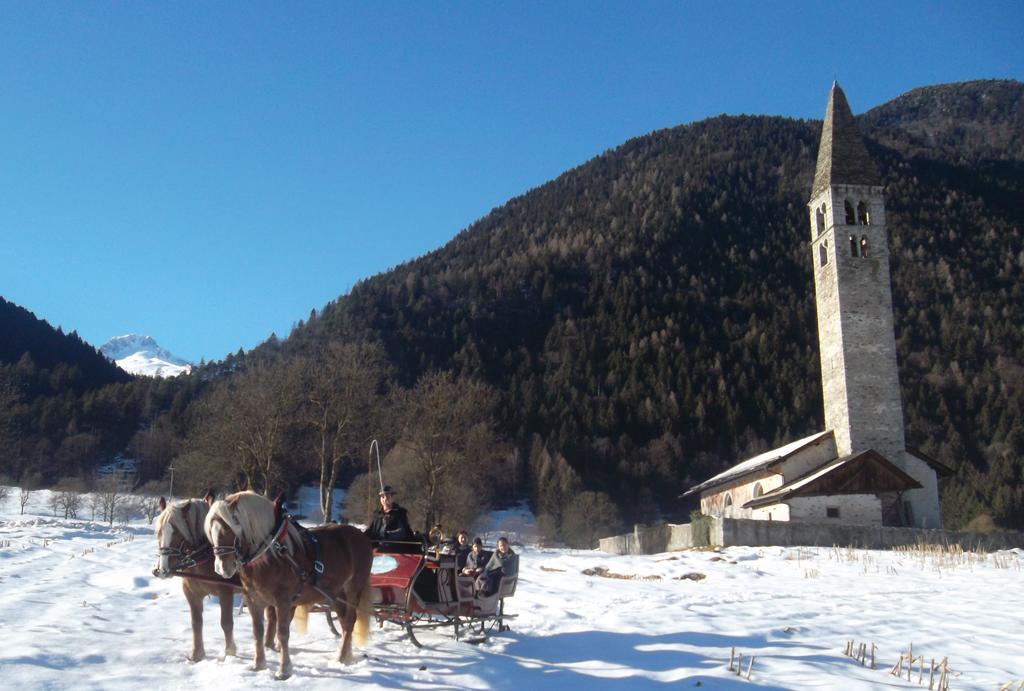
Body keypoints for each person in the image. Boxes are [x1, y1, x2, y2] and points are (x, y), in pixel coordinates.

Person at [367, 485, 414, 550]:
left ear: (392, 497)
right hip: (377, 550)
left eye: (387, 496)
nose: (384, 499)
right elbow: (370, 531)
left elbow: (402, 532)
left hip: (396, 550)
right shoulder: (377, 514)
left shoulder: (400, 513)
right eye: (382, 497)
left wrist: (385, 534)